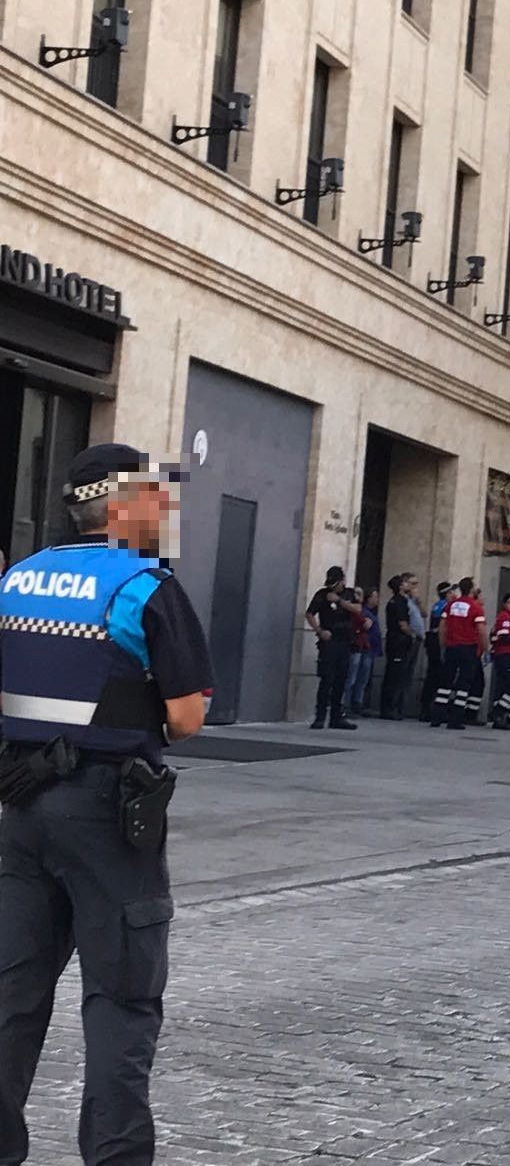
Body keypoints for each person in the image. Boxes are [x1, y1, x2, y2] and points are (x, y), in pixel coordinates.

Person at [0, 442, 214, 1164]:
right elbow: (185, 718)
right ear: (125, 507)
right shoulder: (146, 586)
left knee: (11, 994)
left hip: (22, 805)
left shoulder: (18, 579)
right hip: (108, 814)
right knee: (122, 999)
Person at [304, 565, 363, 730]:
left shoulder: (349, 594)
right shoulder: (322, 595)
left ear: (342, 581)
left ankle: (337, 717)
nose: (332, 587)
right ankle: (320, 717)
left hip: (345, 641)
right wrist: (319, 630)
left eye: (335, 583)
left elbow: (358, 609)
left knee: (341, 681)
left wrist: (339, 601)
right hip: (329, 642)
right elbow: (309, 614)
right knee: (326, 679)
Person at [432, 577, 486, 730]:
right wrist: (485, 647)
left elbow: (442, 627)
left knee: (445, 682)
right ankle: (455, 719)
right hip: (468, 648)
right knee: (464, 683)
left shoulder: (451, 605)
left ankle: (437, 716)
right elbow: (481, 631)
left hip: (451, 647)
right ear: (471, 589)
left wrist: (443, 645)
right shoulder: (475, 608)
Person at [379, 574, 420, 719]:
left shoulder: (393, 601)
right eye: (405, 583)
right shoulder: (400, 601)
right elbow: (403, 624)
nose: (409, 585)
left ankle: (388, 707)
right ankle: (390, 708)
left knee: (392, 674)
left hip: (393, 640)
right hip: (399, 642)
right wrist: (412, 634)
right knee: (395, 676)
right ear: (401, 586)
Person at [418, 581, 455, 723]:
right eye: (451, 592)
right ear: (446, 593)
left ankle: (427, 708)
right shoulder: (445, 607)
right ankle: (431, 709)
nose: (453, 594)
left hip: (433, 641)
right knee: (437, 676)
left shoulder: (438, 605)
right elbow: (442, 627)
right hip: (437, 642)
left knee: (432, 676)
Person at [343, 587, 381, 718]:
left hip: (365, 647)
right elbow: (363, 624)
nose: (359, 597)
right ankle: (346, 705)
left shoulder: (367, 611)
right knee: (351, 678)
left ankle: (357, 704)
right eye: (357, 594)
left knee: (362, 679)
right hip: (357, 647)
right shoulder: (357, 610)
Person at [488, 593, 510, 730]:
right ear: (504, 604)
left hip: (503, 655)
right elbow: (503, 637)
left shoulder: (506, 618)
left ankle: (498, 716)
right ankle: (499, 711)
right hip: (506, 655)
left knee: (502, 686)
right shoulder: (505, 618)